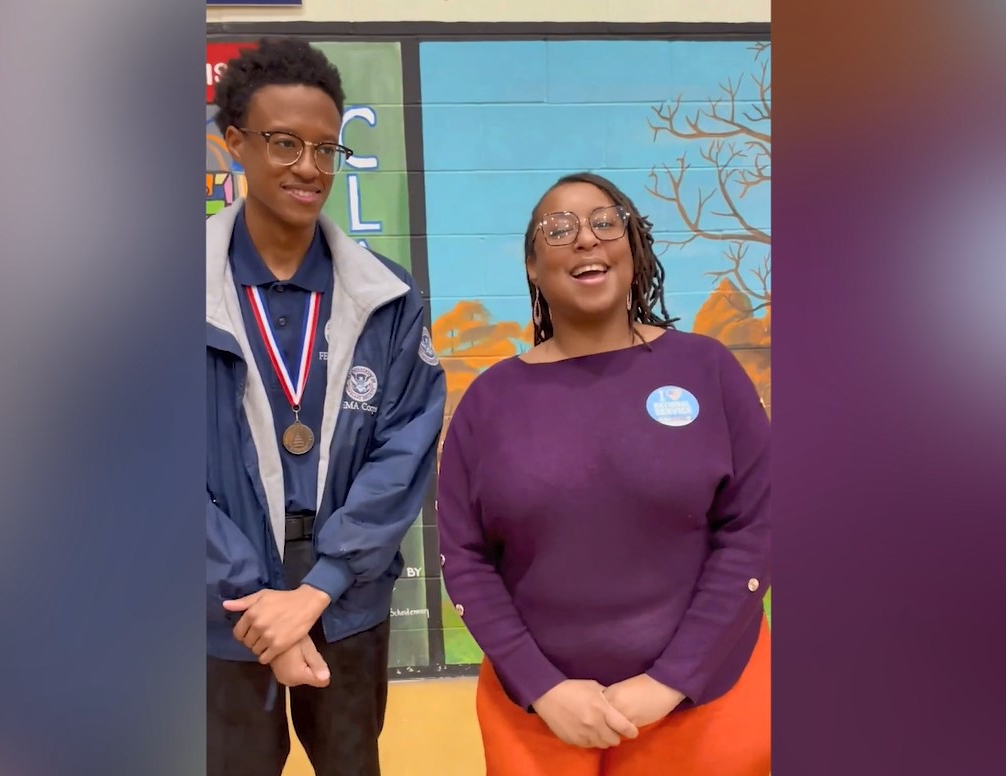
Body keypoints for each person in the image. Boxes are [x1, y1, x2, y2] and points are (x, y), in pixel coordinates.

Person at [437, 172, 772, 776]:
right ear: (533, 268)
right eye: (558, 229)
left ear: (633, 248)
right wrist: (543, 687)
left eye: (605, 222)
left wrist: (672, 680)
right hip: (540, 717)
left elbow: (754, 531)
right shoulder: (489, 402)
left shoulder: (709, 370)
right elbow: (463, 558)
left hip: (706, 703)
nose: (585, 239)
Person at [205, 38, 446, 776]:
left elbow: (405, 448)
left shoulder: (388, 297)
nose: (308, 167)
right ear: (234, 143)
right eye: (283, 143)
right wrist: (258, 604)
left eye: (325, 148)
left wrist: (315, 591)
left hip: (346, 600)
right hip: (217, 604)